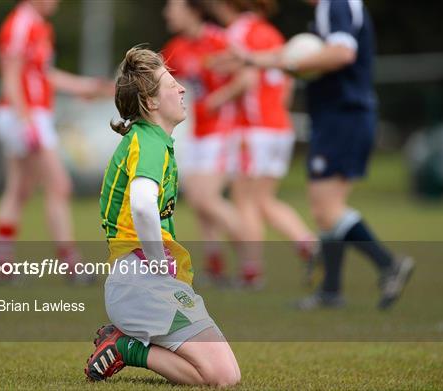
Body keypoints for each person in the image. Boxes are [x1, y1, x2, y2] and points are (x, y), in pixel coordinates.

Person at [237, 0, 414, 309]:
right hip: (342, 116)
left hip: (343, 116)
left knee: (326, 209)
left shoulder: (337, 4)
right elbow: (296, 56)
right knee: (328, 209)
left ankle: (388, 264)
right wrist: (252, 59)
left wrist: (294, 65)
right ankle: (331, 291)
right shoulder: (329, 8)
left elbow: (342, 53)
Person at [84, 47, 240, 387]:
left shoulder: (149, 140)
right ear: (150, 102)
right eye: (171, 83)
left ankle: (128, 343)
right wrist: (158, 262)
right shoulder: (150, 142)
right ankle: (126, 348)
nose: (182, 88)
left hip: (135, 283)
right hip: (142, 284)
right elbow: (142, 205)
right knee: (223, 377)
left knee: (222, 372)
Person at [0, 0, 112, 282]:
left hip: (27, 115)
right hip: (25, 115)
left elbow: (43, 75)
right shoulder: (22, 23)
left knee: (19, 190)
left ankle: (2, 264)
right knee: (59, 185)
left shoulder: (38, 25)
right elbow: (10, 76)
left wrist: (87, 87)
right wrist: (26, 122)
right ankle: (71, 265)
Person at [206, 0, 318, 287]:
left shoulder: (238, 31)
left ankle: (251, 271)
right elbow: (290, 75)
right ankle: (309, 245)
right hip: (279, 126)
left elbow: (247, 77)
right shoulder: (271, 33)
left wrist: (219, 98)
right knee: (264, 199)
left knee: (245, 201)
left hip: (253, 129)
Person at [161, 0, 246, 282]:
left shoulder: (219, 40)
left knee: (206, 199)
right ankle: (216, 265)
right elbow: (155, 79)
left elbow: (248, 75)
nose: (167, 13)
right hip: (197, 133)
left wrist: (218, 99)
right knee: (198, 202)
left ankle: (251, 264)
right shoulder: (177, 46)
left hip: (221, 130)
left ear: (193, 10)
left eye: (173, 8)